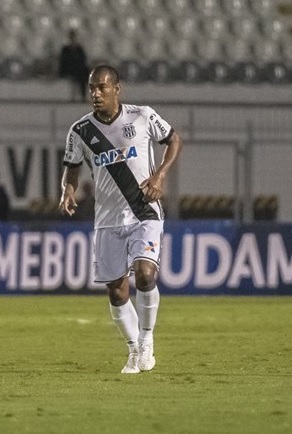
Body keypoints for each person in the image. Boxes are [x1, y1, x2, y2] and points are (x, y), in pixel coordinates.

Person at [58, 64, 182, 374]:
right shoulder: (80, 130)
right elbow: (72, 164)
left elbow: (174, 139)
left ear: (117, 89)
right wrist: (67, 189)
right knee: (116, 290)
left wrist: (160, 176)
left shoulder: (141, 116)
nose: (95, 94)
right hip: (108, 219)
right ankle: (133, 349)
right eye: (91, 88)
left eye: (101, 87)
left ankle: (147, 339)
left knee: (145, 275)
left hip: (144, 210)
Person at [59, 29, 89, 102]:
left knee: (84, 73)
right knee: (80, 73)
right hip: (68, 68)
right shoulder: (65, 49)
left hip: (78, 68)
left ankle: (83, 95)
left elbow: (83, 59)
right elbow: (63, 61)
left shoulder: (79, 49)